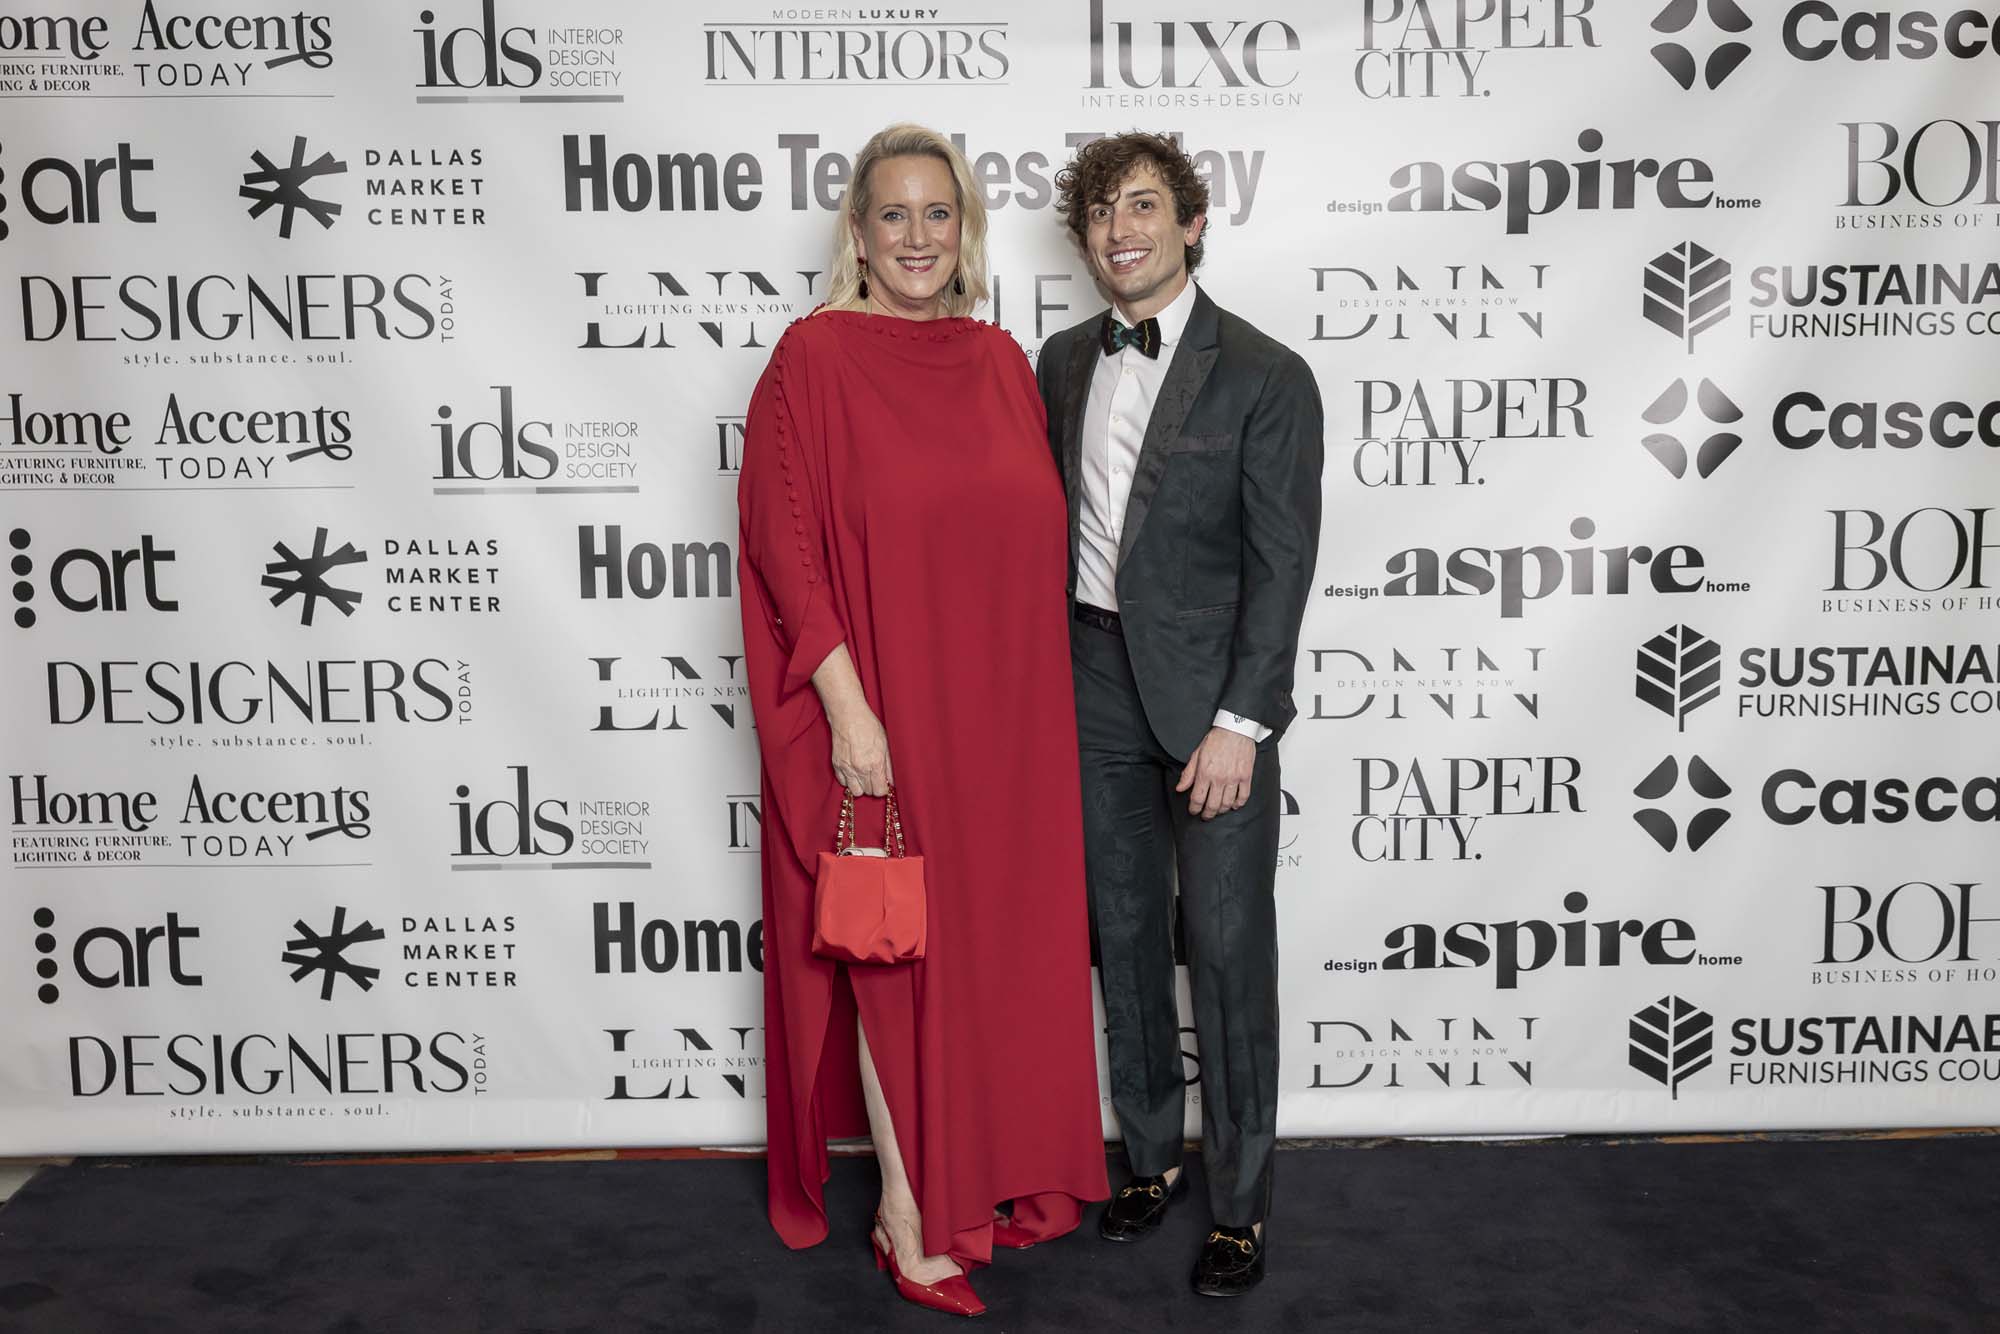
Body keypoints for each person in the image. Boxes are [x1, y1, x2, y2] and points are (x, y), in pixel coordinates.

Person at [735, 123, 1109, 1319]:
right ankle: (906, 1206)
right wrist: (849, 711)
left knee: (993, 951)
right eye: (891, 214)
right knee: (899, 949)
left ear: (965, 228)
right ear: (856, 232)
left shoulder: (999, 360)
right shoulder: (811, 358)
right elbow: (785, 548)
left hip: (1009, 716)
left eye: (936, 213)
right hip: (886, 706)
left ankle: (982, 1172)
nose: (915, 237)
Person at [1036, 131, 1324, 1298]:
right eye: (1102, 211)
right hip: (1090, 679)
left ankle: (1240, 1205)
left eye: (1144, 205)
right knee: (1121, 935)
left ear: (1191, 223)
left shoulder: (1263, 372)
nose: (1122, 229)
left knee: (1226, 944)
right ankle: (1148, 1157)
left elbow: (1281, 563)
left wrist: (1240, 722)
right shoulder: (1060, 360)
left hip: (1211, 703)